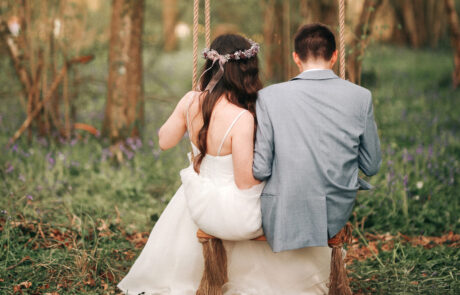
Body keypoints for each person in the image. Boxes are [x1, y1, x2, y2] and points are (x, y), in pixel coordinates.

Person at [117, 33, 331, 295]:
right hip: (232, 207)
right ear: (246, 72)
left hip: (195, 199)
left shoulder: (190, 101)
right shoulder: (242, 118)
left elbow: (164, 141)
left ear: (210, 66)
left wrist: (195, 93)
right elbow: (244, 181)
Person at [253, 23, 382, 253]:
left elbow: (261, 169)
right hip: (333, 214)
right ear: (334, 56)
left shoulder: (268, 97)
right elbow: (371, 166)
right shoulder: (361, 97)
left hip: (285, 209)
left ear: (296, 57)